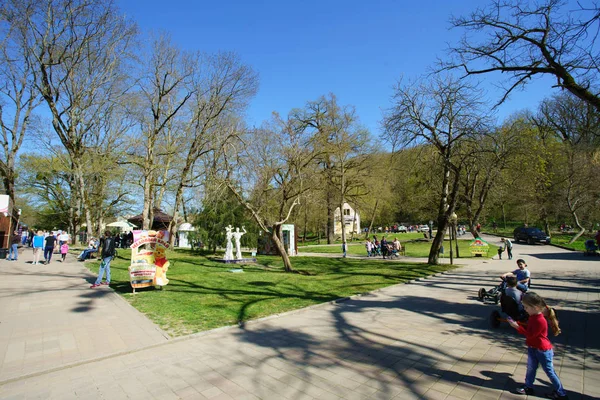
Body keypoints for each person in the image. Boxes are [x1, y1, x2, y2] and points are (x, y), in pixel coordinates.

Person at [507, 292, 567, 399]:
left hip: (543, 350)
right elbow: (530, 329)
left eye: (526, 307)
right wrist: (519, 324)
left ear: (535, 307)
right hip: (533, 347)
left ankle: (561, 393)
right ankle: (528, 386)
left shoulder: (540, 320)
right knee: (531, 368)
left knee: (549, 371)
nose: (525, 309)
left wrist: (516, 327)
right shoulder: (533, 316)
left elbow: (531, 335)